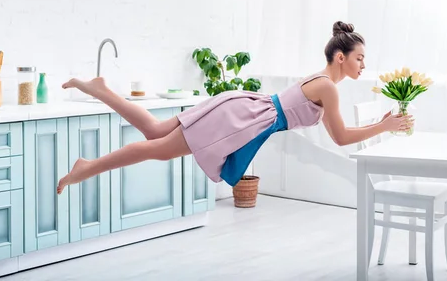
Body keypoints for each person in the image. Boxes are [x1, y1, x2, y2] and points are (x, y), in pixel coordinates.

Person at [56, 21, 413, 194]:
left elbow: (336, 133)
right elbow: (340, 138)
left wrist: (381, 125)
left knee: (154, 131)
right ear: (341, 57)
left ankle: (102, 90)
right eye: (360, 59)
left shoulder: (323, 82)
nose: (363, 66)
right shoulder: (327, 89)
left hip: (242, 109)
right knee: (159, 148)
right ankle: (87, 168)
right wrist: (384, 127)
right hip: (242, 117)